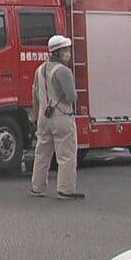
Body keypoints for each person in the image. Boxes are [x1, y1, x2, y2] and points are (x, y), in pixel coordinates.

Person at [29, 35, 84, 200]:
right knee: (66, 154)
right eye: (66, 50)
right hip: (61, 116)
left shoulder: (39, 70)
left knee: (42, 154)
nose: (68, 54)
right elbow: (71, 97)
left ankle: (37, 188)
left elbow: (35, 94)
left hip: (43, 117)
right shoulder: (64, 71)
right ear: (58, 52)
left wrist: (35, 117)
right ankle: (65, 190)